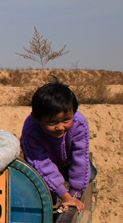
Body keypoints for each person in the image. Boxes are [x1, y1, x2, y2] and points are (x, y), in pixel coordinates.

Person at [20, 81, 90, 211]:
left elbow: (80, 159)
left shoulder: (79, 124)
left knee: (89, 175)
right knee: (45, 194)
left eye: (66, 120)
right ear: (37, 118)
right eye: (52, 122)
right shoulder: (31, 132)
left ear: (74, 112)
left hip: (68, 161)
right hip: (45, 162)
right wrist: (64, 195)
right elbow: (42, 164)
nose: (59, 127)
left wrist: (75, 195)